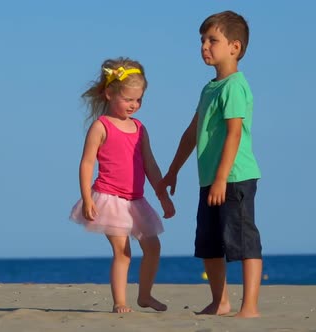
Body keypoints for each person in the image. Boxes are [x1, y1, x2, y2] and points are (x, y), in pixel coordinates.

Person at [158, 11, 262, 318]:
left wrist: (221, 179)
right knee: (209, 244)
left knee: (243, 242)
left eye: (212, 40)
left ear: (235, 47)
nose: (204, 46)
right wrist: (173, 170)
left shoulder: (234, 86)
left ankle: (250, 306)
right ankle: (221, 302)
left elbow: (233, 135)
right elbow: (192, 133)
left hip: (235, 178)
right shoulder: (210, 88)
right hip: (210, 180)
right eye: (202, 40)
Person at [69, 57, 176, 313]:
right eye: (128, 99)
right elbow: (86, 164)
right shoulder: (101, 126)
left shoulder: (140, 128)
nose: (134, 105)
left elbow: (149, 164)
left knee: (153, 247)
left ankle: (145, 295)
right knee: (123, 251)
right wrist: (87, 198)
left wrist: (162, 196)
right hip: (109, 198)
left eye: (138, 100)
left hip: (136, 200)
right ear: (109, 93)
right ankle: (120, 301)